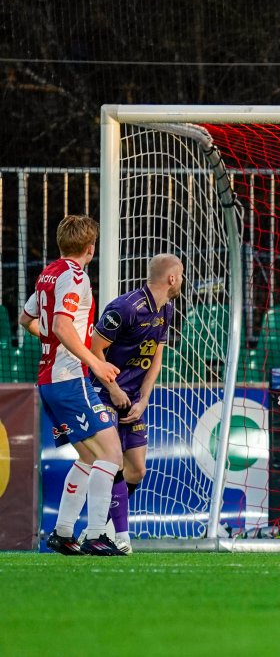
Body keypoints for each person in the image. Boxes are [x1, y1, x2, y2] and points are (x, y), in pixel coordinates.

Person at [18, 215, 124, 556]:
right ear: (90, 249)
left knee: (89, 457)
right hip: (69, 380)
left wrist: (54, 344)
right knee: (112, 454)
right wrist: (94, 362)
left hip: (50, 381)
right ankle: (95, 534)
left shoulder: (48, 273)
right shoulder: (75, 277)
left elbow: (26, 319)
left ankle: (63, 532)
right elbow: (63, 327)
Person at [89, 253, 184, 554]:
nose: (182, 279)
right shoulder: (124, 308)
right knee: (113, 462)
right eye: (180, 274)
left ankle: (101, 528)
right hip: (105, 393)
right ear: (171, 278)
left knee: (137, 470)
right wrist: (114, 389)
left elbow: (156, 360)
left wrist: (142, 400)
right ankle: (119, 536)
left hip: (133, 400)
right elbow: (95, 350)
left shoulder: (166, 310)